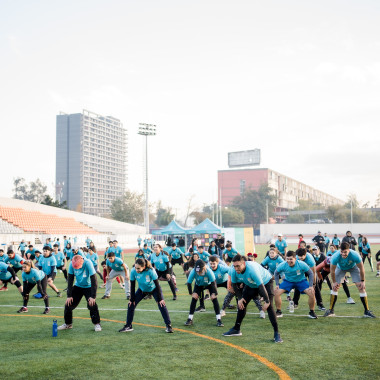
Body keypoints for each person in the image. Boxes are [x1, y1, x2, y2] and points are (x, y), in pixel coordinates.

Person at [223, 254, 282, 343]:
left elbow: (261, 286)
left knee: (269, 306)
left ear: (244, 263)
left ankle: (277, 333)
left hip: (265, 282)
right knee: (242, 304)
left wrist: (266, 301)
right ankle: (236, 329)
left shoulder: (252, 270)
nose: (236, 268)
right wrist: (239, 298)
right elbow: (234, 285)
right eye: (234, 266)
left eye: (238, 266)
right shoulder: (233, 270)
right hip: (251, 285)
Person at [118, 258, 173, 333]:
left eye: (138, 268)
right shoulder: (133, 271)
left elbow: (157, 284)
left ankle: (168, 325)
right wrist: (132, 299)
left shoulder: (151, 270)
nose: (136, 270)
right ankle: (128, 326)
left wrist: (160, 298)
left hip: (154, 289)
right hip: (142, 290)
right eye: (135, 267)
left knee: (161, 304)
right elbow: (133, 286)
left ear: (144, 267)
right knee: (131, 304)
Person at [324, 242, 376, 318]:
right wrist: (334, 282)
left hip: (353, 267)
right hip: (340, 268)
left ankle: (367, 311)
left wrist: (363, 281)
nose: (343, 254)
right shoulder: (335, 256)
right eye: (342, 252)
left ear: (349, 250)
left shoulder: (355, 255)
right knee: (334, 288)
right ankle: (331, 311)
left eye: (345, 252)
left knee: (361, 287)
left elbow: (361, 268)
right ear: (340, 250)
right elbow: (332, 271)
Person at [58, 254, 101, 331]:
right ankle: (68, 324)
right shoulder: (71, 263)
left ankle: (97, 324)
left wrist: (93, 296)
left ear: (82, 262)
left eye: (78, 267)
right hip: (78, 286)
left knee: (92, 304)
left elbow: (94, 279)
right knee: (68, 304)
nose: (77, 269)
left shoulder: (88, 263)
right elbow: (70, 280)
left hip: (89, 286)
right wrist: (69, 295)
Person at [274, 251, 317, 319]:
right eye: (287, 259)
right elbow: (276, 273)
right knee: (276, 293)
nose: (289, 261)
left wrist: (311, 286)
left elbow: (311, 273)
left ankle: (312, 312)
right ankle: (278, 311)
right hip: (288, 281)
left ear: (295, 259)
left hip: (301, 281)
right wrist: (277, 284)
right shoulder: (283, 265)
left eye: (291, 259)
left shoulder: (301, 264)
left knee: (312, 293)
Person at [184, 259, 223, 327]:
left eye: (200, 271)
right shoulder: (193, 271)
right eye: (197, 271)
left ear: (204, 267)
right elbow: (189, 283)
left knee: (214, 299)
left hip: (209, 284)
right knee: (194, 299)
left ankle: (219, 320)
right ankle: (190, 319)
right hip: (199, 285)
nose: (198, 273)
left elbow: (214, 282)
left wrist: (215, 293)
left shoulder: (209, 271)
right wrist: (191, 293)